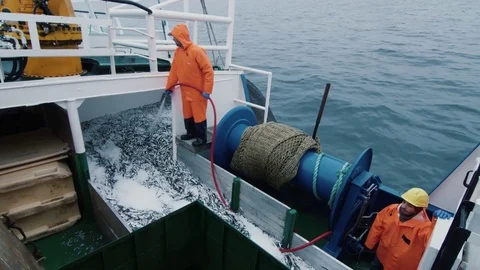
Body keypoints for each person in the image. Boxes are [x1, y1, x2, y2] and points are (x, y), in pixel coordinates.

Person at [364, 187, 452, 270]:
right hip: (382, 255)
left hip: (400, 266)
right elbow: (377, 226)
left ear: (419, 209)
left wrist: (437, 221)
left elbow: (430, 241)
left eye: (409, 206)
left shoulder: (424, 227)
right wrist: (370, 244)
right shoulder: (391, 210)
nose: (404, 206)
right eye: (404, 202)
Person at [165, 23, 214, 147]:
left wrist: (207, 90)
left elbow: (209, 71)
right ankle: (191, 133)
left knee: (199, 116)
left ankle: (201, 138)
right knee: (187, 114)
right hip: (185, 92)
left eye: (174, 36)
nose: (173, 39)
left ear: (180, 37)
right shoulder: (178, 52)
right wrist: (169, 87)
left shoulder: (197, 51)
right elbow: (174, 72)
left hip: (198, 93)